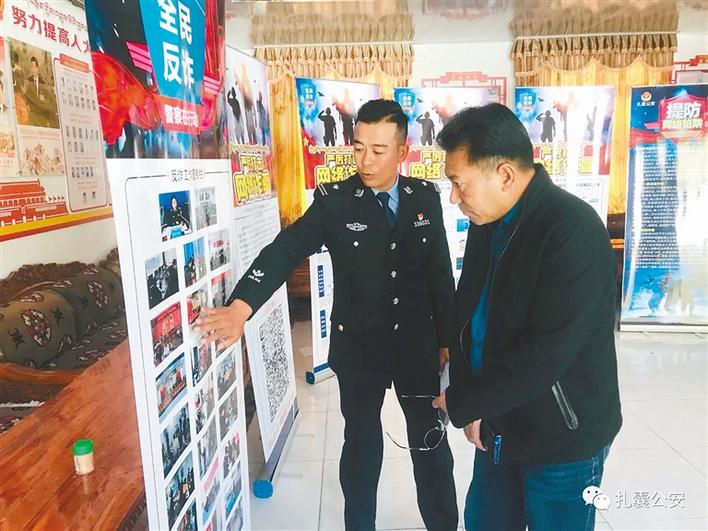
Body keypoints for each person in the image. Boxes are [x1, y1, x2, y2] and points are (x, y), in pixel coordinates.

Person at [197, 99, 458, 531]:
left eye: (378, 150)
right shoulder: (335, 202)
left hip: (417, 346)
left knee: (430, 445)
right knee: (361, 447)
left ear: (402, 151)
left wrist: (449, 341)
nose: (365, 160)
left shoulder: (424, 199)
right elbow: (285, 250)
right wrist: (241, 306)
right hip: (359, 348)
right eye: (358, 148)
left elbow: (440, 277)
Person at [431, 103, 622, 531]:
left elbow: (546, 353)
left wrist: (465, 402)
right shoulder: (488, 222)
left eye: (459, 183)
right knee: (486, 520)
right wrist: (474, 397)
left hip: (562, 436)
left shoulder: (572, 229)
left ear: (504, 175)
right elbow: (473, 311)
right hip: (500, 420)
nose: (454, 197)